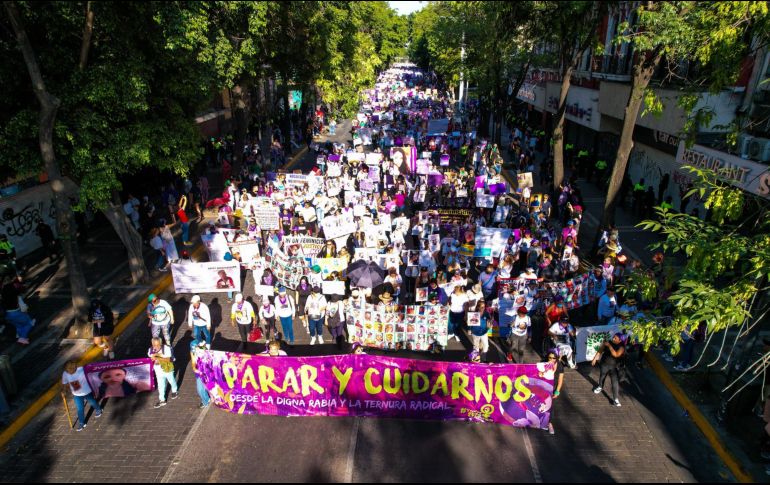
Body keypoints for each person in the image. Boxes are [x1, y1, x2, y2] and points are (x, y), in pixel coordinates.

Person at [61, 360, 103, 431]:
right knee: (80, 408)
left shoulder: (82, 370)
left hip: (87, 392)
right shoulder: (65, 373)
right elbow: (64, 383)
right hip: (76, 394)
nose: (68, 372)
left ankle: (98, 409)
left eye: (69, 370)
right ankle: (81, 423)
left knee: (92, 402)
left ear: (74, 368)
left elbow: (93, 370)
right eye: (67, 371)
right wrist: (64, 391)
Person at [592, 332, 626, 407]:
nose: (613, 338)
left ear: (620, 340)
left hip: (614, 367)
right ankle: (600, 386)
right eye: (613, 337)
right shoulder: (608, 342)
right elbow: (600, 350)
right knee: (602, 376)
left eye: (615, 338)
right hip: (604, 364)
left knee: (615, 382)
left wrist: (610, 346)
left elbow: (616, 355)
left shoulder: (621, 347)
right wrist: (595, 358)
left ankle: (616, 399)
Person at [1, 275, 35, 345]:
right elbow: (22, 290)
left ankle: (23, 338)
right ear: (10, 281)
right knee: (29, 323)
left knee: (19, 326)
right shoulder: (12, 288)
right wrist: (19, 281)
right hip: (15, 312)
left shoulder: (3, 290)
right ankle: (22, 338)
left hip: (7, 314)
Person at [538, 350, 565, 435]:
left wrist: (557, 391)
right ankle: (539, 420)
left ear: (556, 358)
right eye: (550, 357)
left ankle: (549, 423)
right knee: (541, 404)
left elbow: (560, 380)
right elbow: (539, 375)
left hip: (553, 389)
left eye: (554, 358)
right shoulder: (543, 363)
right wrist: (545, 370)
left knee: (551, 406)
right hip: (543, 388)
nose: (552, 359)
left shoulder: (560, 366)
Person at [148, 337, 178, 408]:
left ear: (161, 343)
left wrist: (158, 358)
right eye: (154, 345)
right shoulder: (150, 350)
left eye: (158, 345)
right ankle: (162, 400)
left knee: (171, 380)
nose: (156, 347)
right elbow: (150, 358)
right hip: (158, 370)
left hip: (167, 368)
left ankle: (174, 390)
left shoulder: (166, 348)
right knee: (160, 385)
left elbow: (168, 359)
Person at [190, 339, 211, 408]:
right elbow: (193, 361)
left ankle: (206, 401)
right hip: (198, 372)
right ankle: (206, 400)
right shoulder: (192, 352)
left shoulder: (205, 350)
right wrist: (194, 368)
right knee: (200, 389)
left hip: (206, 370)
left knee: (207, 387)